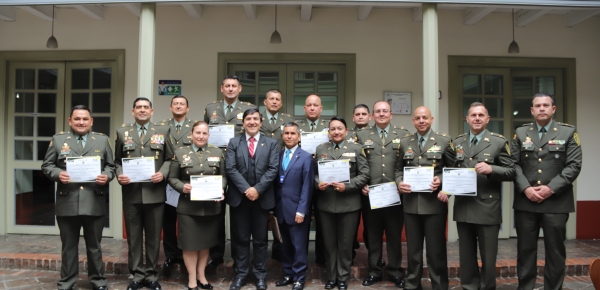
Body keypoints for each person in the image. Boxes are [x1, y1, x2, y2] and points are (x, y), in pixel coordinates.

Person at [511, 92, 582, 290]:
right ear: (532, 110)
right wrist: (526, 188)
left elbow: (574, 165)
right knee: (525, 250)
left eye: (546, 105)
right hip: (527, 200)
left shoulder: (568, 132)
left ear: (553, 109)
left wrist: (551, 188)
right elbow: (514, 165)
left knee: (555, 251)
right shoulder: (521, 132)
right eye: (537, 106)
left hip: (556, 202)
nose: (542, 108)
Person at [41, 105, 114, 290]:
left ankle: (98, 281)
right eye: (77, 119)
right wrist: (58, 174)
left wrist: (106, 176)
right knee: (68, 246)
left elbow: (111, 166)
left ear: (91, 121)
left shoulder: (102, 140)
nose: (81, 122)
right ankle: (67, 282)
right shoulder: (58, 141)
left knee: (94, 246)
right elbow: (47, 165)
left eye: (84, 119)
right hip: (68, 201)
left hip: (93, 199)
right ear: (70, 121)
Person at [453, 102, 515, 290]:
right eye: (473, 115)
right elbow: (451, 171)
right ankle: (469, 286)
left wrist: (491, 169)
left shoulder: (498, 141)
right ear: (467, 119)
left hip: (487, 206)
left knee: (488, 254)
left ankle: (488, 286)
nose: (477, 118)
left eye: (481, 115)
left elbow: (511, 171)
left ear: (487, 119)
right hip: (464, 205)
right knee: (466, 253)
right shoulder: (457, 143)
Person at [115, 97, 174, 290]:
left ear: (152, 111)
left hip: (155, 193)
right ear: (133, 111)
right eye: (138, 107)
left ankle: (151, 275)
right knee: (133, 237)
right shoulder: (123, 132)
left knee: (153, 237)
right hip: (132, 193)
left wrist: (163, 173)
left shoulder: (163, 130)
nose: (142, 110)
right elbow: (116, 161)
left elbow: (170, 158)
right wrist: (119, 174)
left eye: (145, 107)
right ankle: (137, 275)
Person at [394, 106, 455, 290]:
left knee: (436, 250)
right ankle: (413, 283)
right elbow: (397, 169)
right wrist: (399, 182)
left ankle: (439, 285)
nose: (421, 121)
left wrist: (442, 180)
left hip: (434, 204)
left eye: (425, 118)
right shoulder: (405, 142)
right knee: (413, 249)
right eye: (418, 118)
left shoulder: (444, 141)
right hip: (411, 204)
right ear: (413, 121)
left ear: (431, 119)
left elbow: (453, 170)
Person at [203, 75, 256, 268]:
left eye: (234, 86)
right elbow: (204, 135)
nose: (231, 89)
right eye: (227, 86)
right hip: (215, 165)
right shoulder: (211, 109)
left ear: (240, 88)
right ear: (222, 88)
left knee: (237, 214)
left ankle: (237, 257)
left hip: (239, 167)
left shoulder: (248, 109)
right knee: (216, 213)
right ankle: (216, 254)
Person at [357, 101, 410, 288]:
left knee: (394, 235)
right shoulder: (361, 135)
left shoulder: (403, 135)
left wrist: (402, 182)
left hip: (395, 194)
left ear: (391, 114)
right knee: (373, 234)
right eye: (377, 111)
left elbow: (407, 162)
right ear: (372, 115)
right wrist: (361, 184)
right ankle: (374, 271)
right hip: (370, 194)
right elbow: (356, 163)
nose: (381, 114)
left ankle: (395, 271)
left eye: (384, 111)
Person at [168, 121, 227, 290]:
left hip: (211, 207)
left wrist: (220, 188)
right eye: (198, 133)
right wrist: (182, 187)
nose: (201, 136)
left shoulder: (217, 152)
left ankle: (202, 276)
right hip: (188, 207)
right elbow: (172, 178)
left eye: (204, 133)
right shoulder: (180, 153)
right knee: (190, 244)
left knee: (205, 244)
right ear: (191, 134)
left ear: (209, 135)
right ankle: (192, 278)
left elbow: (223, 176)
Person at [226, 108, 279, 290]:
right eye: (248, 119)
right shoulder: (234, 142)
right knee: (240, 239)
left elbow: (273, 169)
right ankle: (240, 275)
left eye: (255, 119)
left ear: (261, 122)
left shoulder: (271, 143)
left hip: (261, 199)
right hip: (239, 199)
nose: (252, 122)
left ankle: (260, 275)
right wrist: (246, 190)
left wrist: (257, 189)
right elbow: (230, 168)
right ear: (243, 122)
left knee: (260, 240)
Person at [315, 117, 369, 290]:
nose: (336, 132)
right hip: (326, 203)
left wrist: (348, 186)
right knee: (329, 243)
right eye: (333, 129)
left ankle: (342, 277)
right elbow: (314, 173)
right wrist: (318, 183)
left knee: (345, 244)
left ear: (346, 131)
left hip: (349, 203)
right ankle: (331, 277)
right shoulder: (321, 148)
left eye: (340, 128)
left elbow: (364, 174)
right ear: (328, 132)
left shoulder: (356, 148)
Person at [274, 122, 314, 290]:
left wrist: (302, 210)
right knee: (285, 246)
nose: (289, 136)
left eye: (292, 133)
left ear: (299, 137)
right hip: (280, 209)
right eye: (286, 133)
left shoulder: (306, 157)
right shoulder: (277, 155)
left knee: (298, 246)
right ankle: (288, 274)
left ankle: (299, 277)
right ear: (282, 136)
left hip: (297, 210)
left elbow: (307, 186)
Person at [162, 95, 195, 272]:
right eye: (176, 104)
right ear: (171, 107)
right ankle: (170, 255)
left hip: (186, 181)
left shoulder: (194, 127)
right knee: (168, 220)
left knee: (186, 220)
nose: (179, 106)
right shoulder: (161, 127)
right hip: (167, 181)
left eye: (182, 104)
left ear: (187, 108)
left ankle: (185, 253)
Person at [296, 94, 328, 265]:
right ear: (305, 108)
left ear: (321, 108)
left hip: (324, 180)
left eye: (316, 105)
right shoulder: (297, 127)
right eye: (309, 105)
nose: (313, 108)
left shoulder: (328, 128)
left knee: (323, 221)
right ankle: (301, 258)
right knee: (301, 219)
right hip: (301, 181)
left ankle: (322, 258)